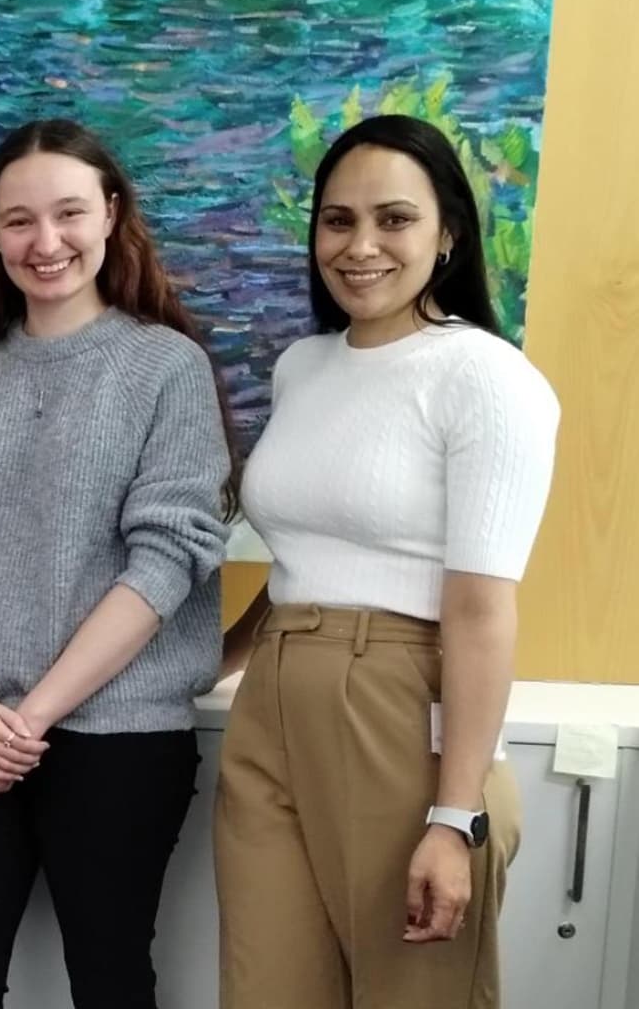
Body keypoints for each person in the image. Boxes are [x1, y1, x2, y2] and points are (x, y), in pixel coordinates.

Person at [215, 114, 559, 1009]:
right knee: (266, 990)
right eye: (337, 220)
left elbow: (481, 611)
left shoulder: (486, 378)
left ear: (448, 233)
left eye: (393, 219)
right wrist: (223, 657)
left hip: (405, 711)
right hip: (273, 704)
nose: (360, 246)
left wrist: (455, 817)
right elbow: (303, 557)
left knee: (415, 995)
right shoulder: (302, 367)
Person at [0, 118, 234, 1008]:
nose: (45, 242)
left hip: (120, 739)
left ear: (112, 213)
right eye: (18, 220)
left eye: (70, 213)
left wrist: (30, 718)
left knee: (110, 980)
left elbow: (167, 561)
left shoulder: (166, 366)